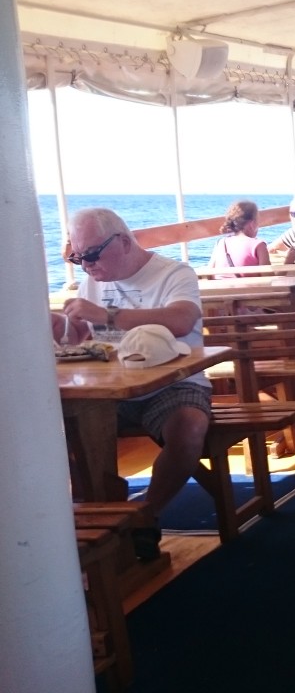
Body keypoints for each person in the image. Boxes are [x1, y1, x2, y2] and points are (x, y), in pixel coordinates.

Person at [53, 207, 211, 555]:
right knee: (58, 436)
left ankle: (145, 514)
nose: (87, 265)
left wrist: (107, 314)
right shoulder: (92, 282)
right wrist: (64, 328)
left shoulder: (174, 273)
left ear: (124, 242)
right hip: (110, 388)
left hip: (173, 383)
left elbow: (182, 320)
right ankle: (104, 513)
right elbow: (83, 336)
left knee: (188, 429)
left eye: (92, 254)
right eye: (78, 258)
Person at [207, 200, 269, 275]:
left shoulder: (221, 243)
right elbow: (268, 276)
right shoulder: (259, 245)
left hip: (221, 283)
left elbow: (209, 272)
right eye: (258, 222)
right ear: (252, 224)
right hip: (248, 283)